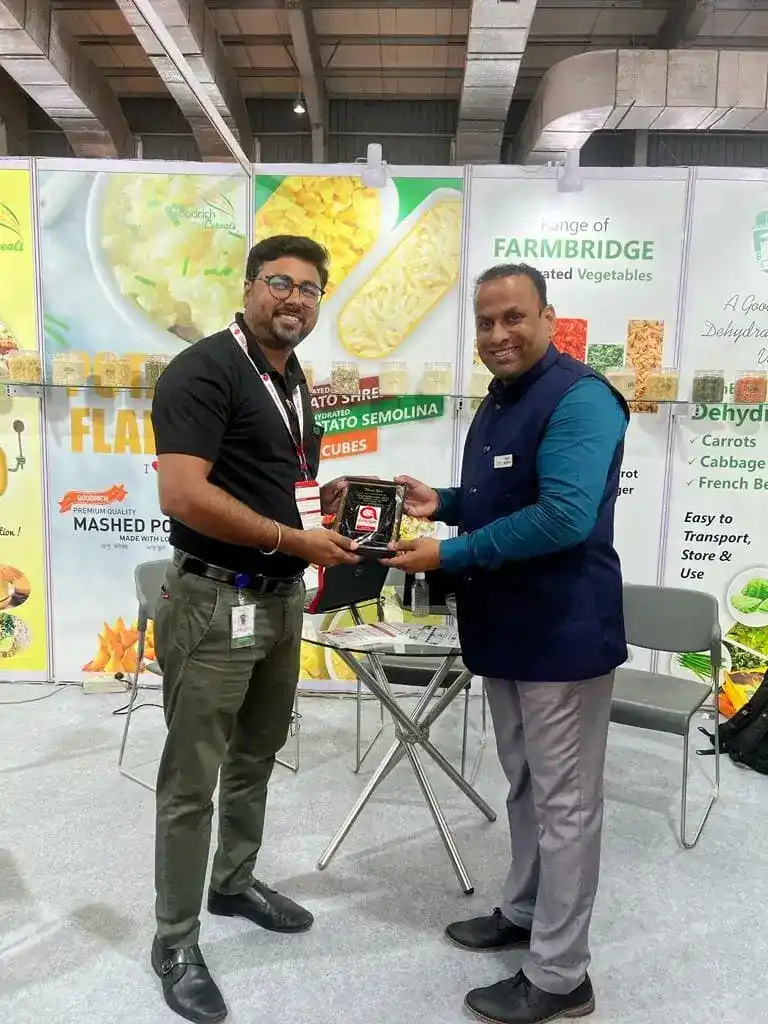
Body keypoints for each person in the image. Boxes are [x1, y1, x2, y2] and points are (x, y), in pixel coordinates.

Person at [384, 263, 629, 1024]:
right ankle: (523, 912)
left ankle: (562, 978)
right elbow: (503, 497)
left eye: (514, 318)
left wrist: (449, 553)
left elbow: (561, 517)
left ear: (549, 319)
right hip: (510, 632)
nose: (498, 335)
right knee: (526, 786)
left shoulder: (583, 399)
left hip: (562, 638)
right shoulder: (500, 399)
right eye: (486, 323)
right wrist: (444, 503)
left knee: (566, 805)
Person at [150, 234, 359, 1024]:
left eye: (310, 289)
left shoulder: (293, 377)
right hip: (213, 598)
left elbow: (273, 480)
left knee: (257, 755)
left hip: (275, 600)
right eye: (280, 282)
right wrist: (293, 540)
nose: (295, 299)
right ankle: (174, 939)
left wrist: (318, 501)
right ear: (247, 286)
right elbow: (183, 494)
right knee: (191, 779)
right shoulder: (202, 371)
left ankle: (232, 884)